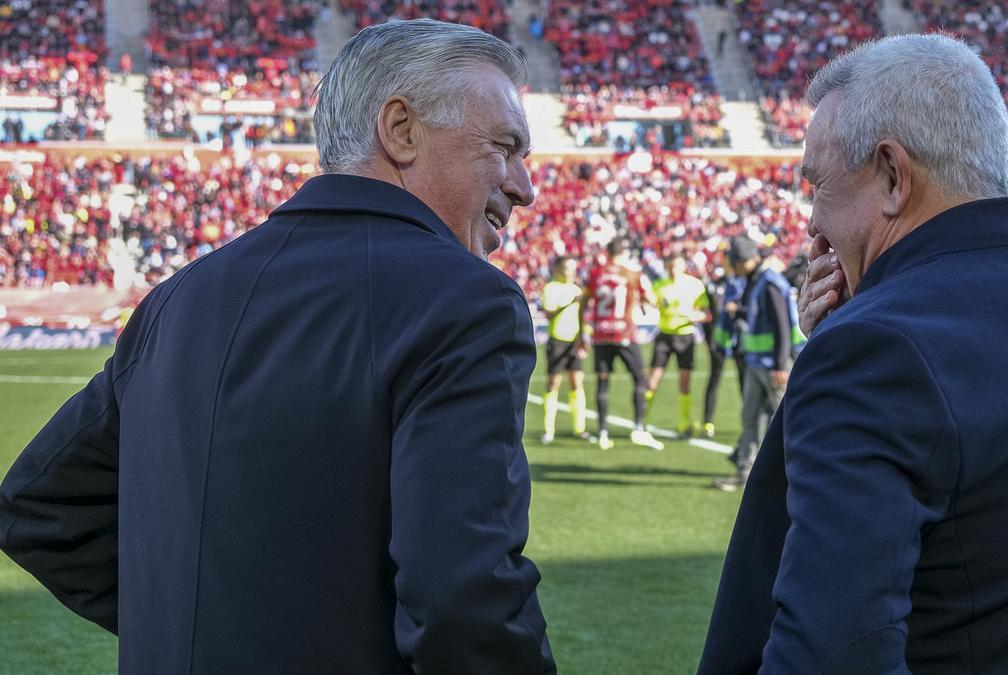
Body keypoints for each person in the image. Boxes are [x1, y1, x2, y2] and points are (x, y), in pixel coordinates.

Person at [0, 19, 556, 674]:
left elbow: (39, 507)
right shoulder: (465, 300)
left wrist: (215, 626)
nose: (524, 185)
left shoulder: (179, 296)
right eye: (504, 146)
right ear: (401, 129)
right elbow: (465, 595)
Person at [700, 34, 1008, 673]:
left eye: (817, 185)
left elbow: (831, 651)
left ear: (891, 174)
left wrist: (840, 346)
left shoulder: (876, 346)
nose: (811, 226)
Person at [711, 236, 801, 491]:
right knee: (749, 418)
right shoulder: (758, 281)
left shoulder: (770, 283)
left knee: (784, 422)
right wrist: (737, 312)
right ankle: (745, 472)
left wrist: (780, 365)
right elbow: (757, 314)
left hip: (772, 365)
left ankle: (789, 477)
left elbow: (782, 326)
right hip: (756, 362)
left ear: (743, 261)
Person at [576, 238, 664, 451]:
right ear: (623, 252)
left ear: (606, 251)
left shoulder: (596, 273)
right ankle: (638, 427)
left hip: (601, 336)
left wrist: (582, 333)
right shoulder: (632, 273)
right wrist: (642, 301)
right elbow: (652, 300)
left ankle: (603, 432)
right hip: (624, 333)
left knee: (603, 382)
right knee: (640, 378)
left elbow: (583, 303)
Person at [646, 253, 710, 437]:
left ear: (683, 266)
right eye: (670, 266)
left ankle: (684, 422)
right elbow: (652, 304)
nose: (673, 270)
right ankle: (640, 421)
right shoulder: (659, 286)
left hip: (685, 337)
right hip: (664, 336)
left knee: (685, 382)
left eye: (676, 266)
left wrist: (693, 316)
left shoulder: (695, 286)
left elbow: (706, 314)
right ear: (666, 267)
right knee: (652, 381)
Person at [540, 254, 589, 443]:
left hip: (574, 342)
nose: (571, 272)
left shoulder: (577, 290)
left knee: (577, 383)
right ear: (559, 268)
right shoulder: (550, 288)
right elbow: (549, 314)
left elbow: (583, 318)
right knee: (554, 384)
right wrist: (570, 303)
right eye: (567, 268)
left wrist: (584, 338)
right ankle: (548, 431)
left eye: (573, 268)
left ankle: (580, 429)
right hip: (558, 342)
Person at [701, 259, 745, 438]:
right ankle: (707, 422)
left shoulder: (742, 284)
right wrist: (709, 339)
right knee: (714, 379)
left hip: (739, 341)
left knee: (744, 382)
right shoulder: (714, 286)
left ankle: (747, 422)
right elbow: (707, 315)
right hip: (719, 340)